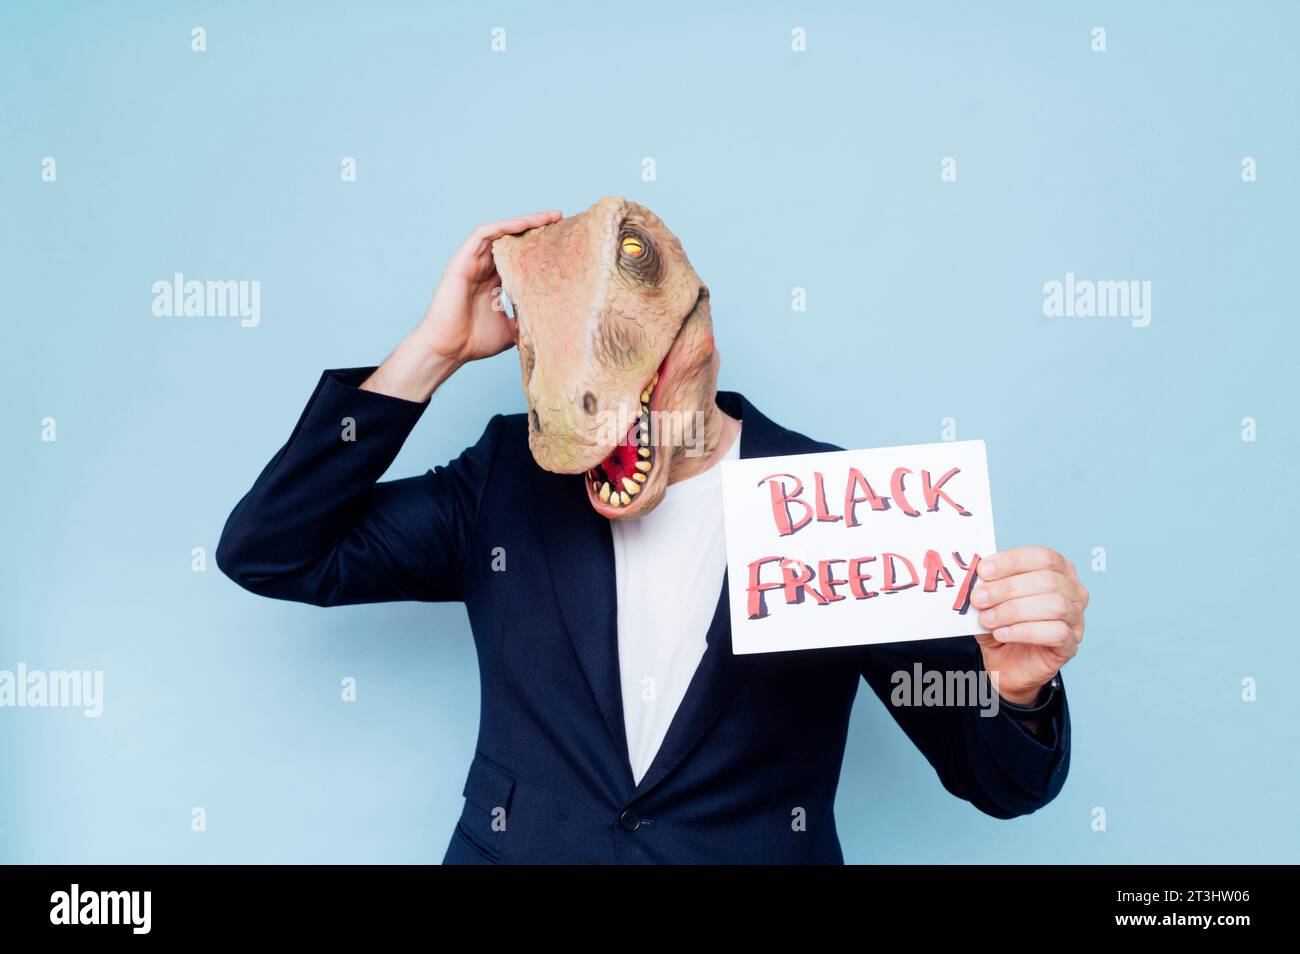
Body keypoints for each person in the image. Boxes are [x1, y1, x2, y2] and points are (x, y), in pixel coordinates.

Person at [217, 205, 1088, 864]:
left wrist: (1014, 693)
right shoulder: (505, 483)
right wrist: (434, 350)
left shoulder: (835, 510)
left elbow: (999, 782)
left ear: (696, 324)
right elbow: (274, 547)